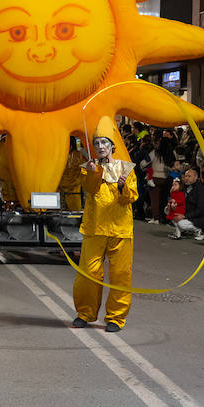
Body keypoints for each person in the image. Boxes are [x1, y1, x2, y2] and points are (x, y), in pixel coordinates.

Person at [71, 135, 138, 332]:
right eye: (97, 143)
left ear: (112, 146)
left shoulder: (126, 168)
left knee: (120, 275)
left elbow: (131, 197)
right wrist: (93, 173)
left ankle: (116, 318)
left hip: (120, 229)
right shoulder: (88, 167)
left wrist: (122, 186)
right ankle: (85, 313)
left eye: (104, 142)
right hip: (95, 227)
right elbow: (90, 189)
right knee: (89, 273)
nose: (100, 146)